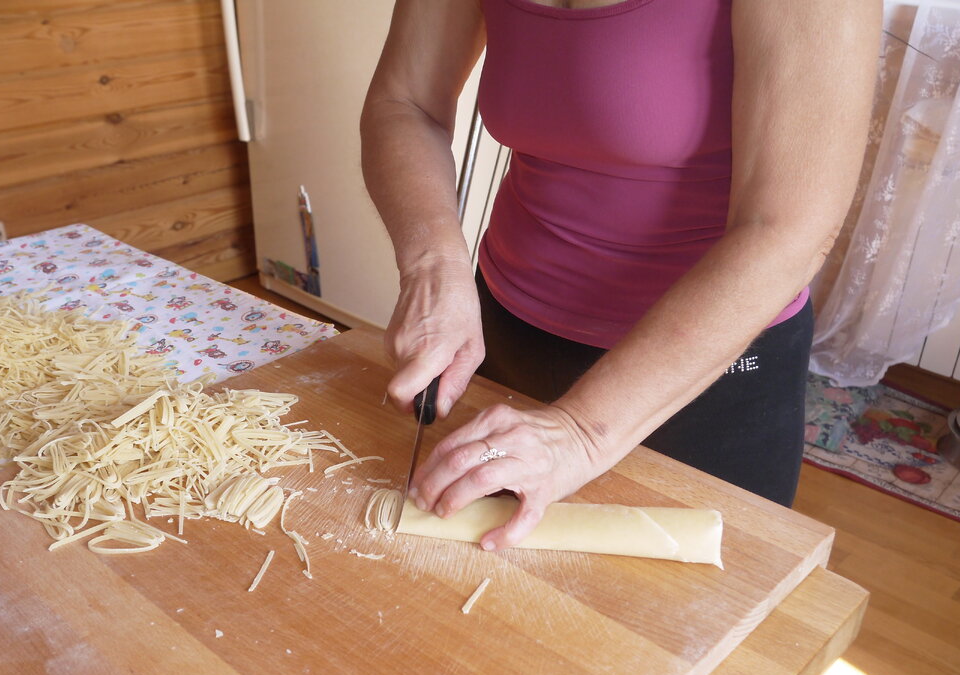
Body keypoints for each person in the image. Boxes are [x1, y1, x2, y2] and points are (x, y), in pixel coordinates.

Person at [360, 0, 880, 551]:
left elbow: (786, 228)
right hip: (504, 334)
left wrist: (581, 434)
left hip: (705, 373)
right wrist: (433, 266)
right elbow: (406, 102)